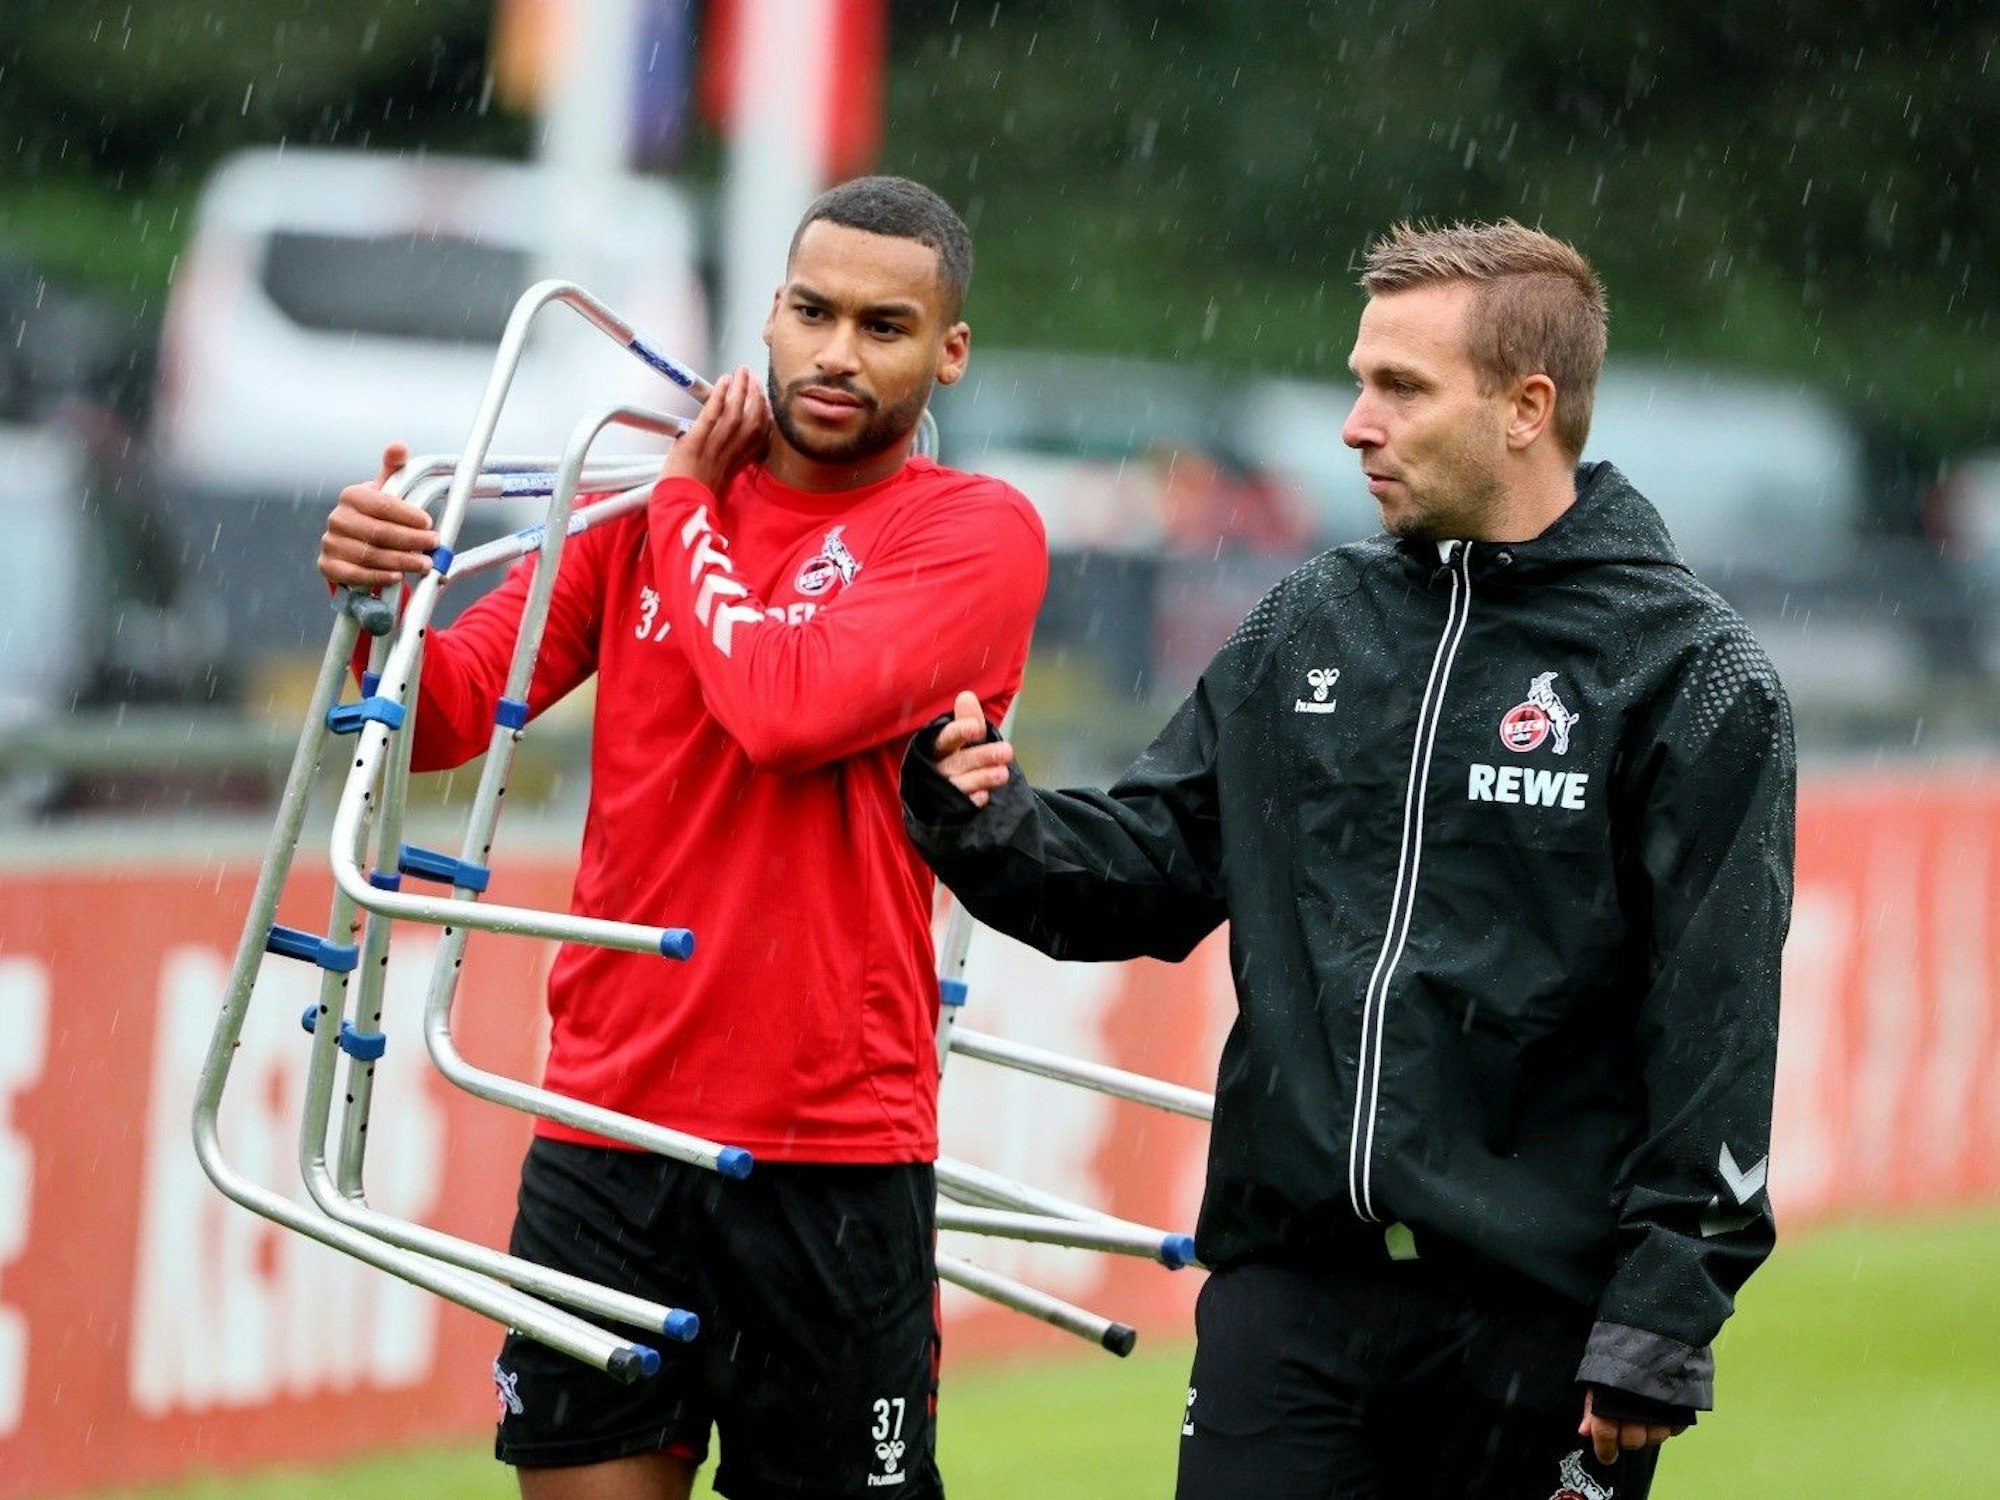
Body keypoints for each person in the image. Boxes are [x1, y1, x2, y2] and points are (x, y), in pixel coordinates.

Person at [902, 219, 1794, 1498]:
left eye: (1399, 387)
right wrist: (977, 814)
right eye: (1358, 380)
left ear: (1524, 407)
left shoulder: (1689, 675)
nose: (1353, 423)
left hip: (1537, 1323)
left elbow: (1715, 1026)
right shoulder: (1307, 619)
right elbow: (1147, 865)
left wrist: (1662, 1309)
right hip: (1289, 1305)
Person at [317, 176, 1046, 1500]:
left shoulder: (971, 531)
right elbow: (451, 714)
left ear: (948, 352)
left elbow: (785, 711)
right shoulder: (639, 507)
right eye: (811, 311)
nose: (835, 353)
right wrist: (380, 608)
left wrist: (686, 509)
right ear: (768, 310)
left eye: (884, 327)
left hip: (833, 1149)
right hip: (604, 1128)